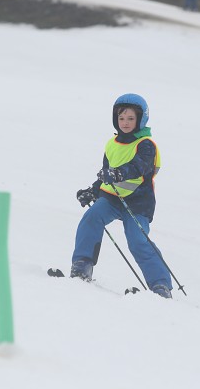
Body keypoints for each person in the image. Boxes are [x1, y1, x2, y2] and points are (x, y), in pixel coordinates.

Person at [71, 93, 173, 299]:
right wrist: (93, 189)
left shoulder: (146, 144)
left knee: (137, 240)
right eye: (121, 118)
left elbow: (140, 167)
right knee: (91, 218)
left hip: (138, 203)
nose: (125, 123)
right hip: (112, 199)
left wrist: (120, 173)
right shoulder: (112, 144)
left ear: (141, 119)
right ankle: (82, 265)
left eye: (130, 118)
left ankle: (160, 286)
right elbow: (106, 173)